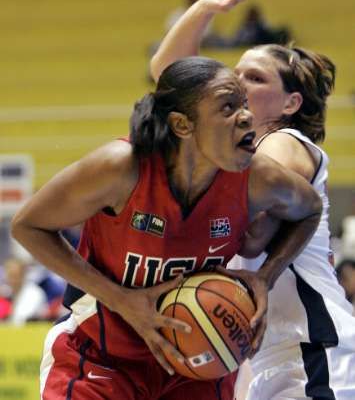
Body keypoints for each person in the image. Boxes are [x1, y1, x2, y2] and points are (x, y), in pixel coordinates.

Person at [11, 56, 322, 400]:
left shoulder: (257, 177)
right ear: (182, 125)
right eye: (227, 107)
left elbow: (310, 209)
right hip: (101, 356)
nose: (246, 116)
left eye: (244, 105)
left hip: (197, 369)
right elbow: (28, 226)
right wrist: (120, 300)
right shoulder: (122, 167)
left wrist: (267, 275)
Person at [149, 0, 355, 399]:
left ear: (290, 102)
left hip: (315, 345)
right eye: (236, 73)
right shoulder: (234, 155)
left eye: (255, 78)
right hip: (270, 354)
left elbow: (253, 237)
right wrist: (205, 7)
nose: (238, 83)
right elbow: (168, 73)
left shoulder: (283, 142)